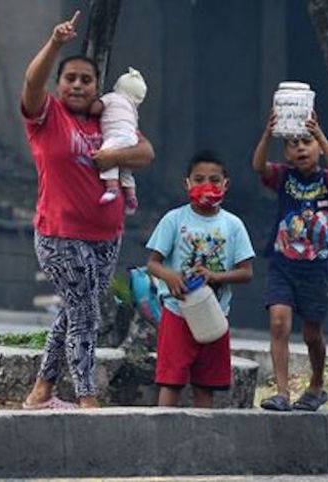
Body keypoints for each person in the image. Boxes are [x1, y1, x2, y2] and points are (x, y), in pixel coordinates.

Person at [21, 11, 155, 410]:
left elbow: (146, 153)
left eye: (86, 79)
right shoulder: (47, 117)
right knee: (85, 315)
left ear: (98, 87)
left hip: (106, 237)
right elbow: (31, 82)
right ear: (60, 85)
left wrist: (114, 153)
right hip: (59, 235)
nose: (78, 85)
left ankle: (41, 391)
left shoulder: (112, 118)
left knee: (77, 310)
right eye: (71, 78)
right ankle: (86, 397)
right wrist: (56, 44)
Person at [146, 153, 255, 408]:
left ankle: (202, 442)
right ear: (187, 184)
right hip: (177, 313)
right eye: (199, 179)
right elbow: (152, 263)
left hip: (215, 315)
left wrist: (216, 276)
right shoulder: (174, 220)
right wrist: (170, 276)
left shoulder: (233, 225)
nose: (207, 186)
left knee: (206, 384)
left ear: (225, 185)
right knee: (170, 381)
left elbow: (246, 272)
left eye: (214, 180)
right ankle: (163, 438)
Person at [252, 109, 328, 412]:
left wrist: (321, 136)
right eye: (293, 143)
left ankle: (317, 385)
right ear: (286, 152)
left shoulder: (327, 180)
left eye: (307, 142)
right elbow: (258, 166)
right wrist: (267, 133)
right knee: (279, 323)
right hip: (283, 264)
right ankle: (282, 392)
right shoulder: (282, 176)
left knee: (312, 334)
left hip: (316, 270)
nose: (301, 148)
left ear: (318, 146)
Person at [90, 67, 147, 214]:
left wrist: (94, 102)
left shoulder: (112, 97)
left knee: (106, 156)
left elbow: (95, 109)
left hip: (116, 136)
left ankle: (112, 188)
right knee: (125, 170)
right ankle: (131, 196)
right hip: (132, 138)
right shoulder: (133, 109)